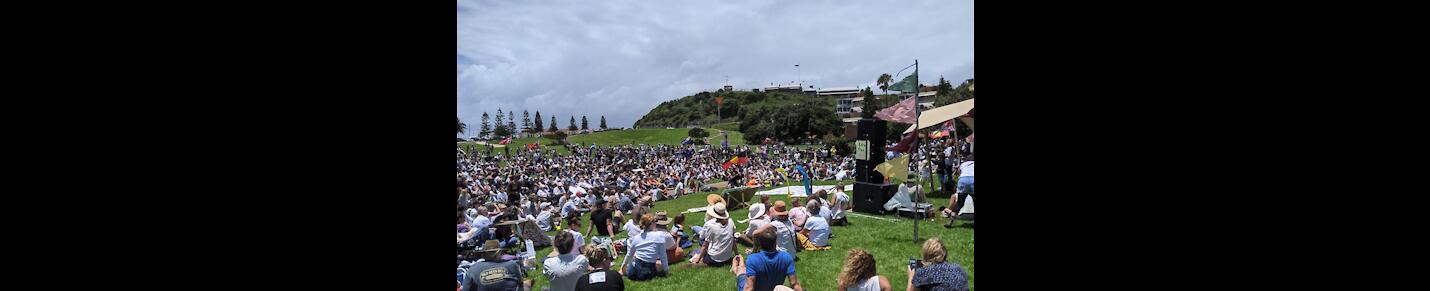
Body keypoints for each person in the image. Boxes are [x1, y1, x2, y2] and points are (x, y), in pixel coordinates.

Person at [619, 214, 670, 281]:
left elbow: (629, 254)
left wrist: (623, 267)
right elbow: (663, 255)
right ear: (652, 224)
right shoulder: (660, 235)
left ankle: (620, 273)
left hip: (633, 272)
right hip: (648, 272)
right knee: (659, 264)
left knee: (633, 263)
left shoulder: (636, 237)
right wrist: (666, 271)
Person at [461, 240, 528, 291]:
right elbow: (520, 283)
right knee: (528, 283)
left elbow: (465, 289)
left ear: (483, 254)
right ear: (500, 252)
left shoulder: (473, 269)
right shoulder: (512, 264)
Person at [691, 202, 735, 267]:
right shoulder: (731, 222)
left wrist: (698, 259)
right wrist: (737, 254)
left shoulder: (711, 226)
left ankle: (697, 256)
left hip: (714, 259)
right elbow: (733, 239)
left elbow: (705, 245)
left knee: (695, 251)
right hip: (727, 257)